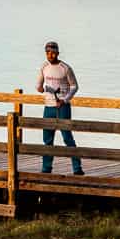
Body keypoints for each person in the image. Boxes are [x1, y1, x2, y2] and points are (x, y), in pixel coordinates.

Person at [36, 39, 83, 176]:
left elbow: (74, 86)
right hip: (48, 106)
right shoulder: (44, 67)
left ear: (57, 53)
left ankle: (77, 168)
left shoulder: (65, 68)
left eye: (52, 52)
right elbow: (38, 85)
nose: (50, 55)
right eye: (47, 52)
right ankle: (46, 169)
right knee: (47, 139)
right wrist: (40, 88)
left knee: (67, 138)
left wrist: (65, 100)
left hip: (63, 107)